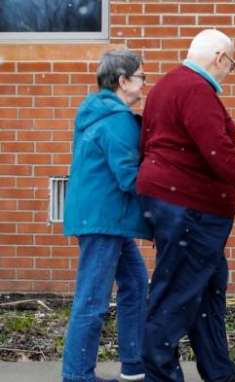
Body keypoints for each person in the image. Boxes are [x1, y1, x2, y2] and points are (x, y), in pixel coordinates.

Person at [137, 29, 235, 382]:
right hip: (189, 208)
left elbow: (147, 141)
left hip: (177, 204)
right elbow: (220, 154)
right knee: (176, 293)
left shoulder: (167, 85)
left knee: (207, 291)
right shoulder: (195, 90)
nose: (228, 72)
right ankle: (159, 376)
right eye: (230, 64)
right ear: (220, 57)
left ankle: (220, 373)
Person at [62, 49, 150, 382]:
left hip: (103, 218)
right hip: (104, 221)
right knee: (92, 299)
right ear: (123, 80)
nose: (144, 83)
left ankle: (134, 366)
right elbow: (130, 176)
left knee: (135, 282)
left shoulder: (94, 112)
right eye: (141, 76)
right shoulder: (116, 119)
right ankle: (77, 376)